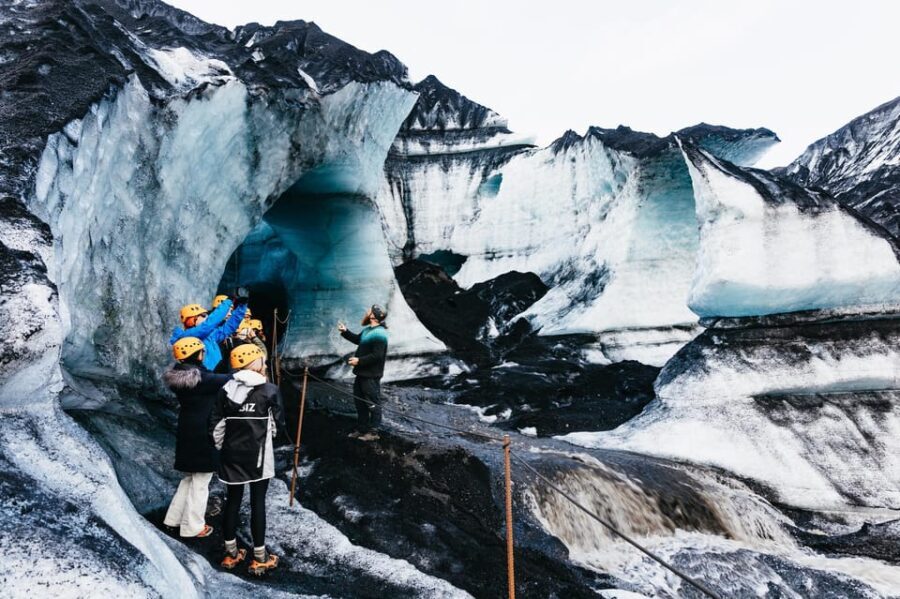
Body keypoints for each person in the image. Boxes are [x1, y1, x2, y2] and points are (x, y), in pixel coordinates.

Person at [209, 343, 286, 575]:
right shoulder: (269, 390)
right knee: (257, 502)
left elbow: (215, 426)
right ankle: (260, 557)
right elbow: (277, 424)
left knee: (233, 500)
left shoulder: (225, 389)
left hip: (231, 455)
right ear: (255, 362)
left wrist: (225, 448)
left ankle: (231, 554)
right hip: (258, 457)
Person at [161, 337, 232, 538]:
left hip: (187, 430)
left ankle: (173, 519)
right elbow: (230, 379)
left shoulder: (180, 376)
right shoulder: (202, 379)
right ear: (198, 354)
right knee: (201, 482)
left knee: (190, 478)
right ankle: (193, 527)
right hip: (203, 433)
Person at [337, 304, 389, 441]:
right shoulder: (368, 330)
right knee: (360, 402)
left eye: (370, 311)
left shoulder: (380, 333)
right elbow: (357, 340)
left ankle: (373, 432)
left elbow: (377, 355)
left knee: (372, 402)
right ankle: (362, 429)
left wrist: (359, 360)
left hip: (371, 375)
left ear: (373, 316)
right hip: (362, 373)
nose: (367, 312)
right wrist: (345, 331)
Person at [170, 288, 249, 372]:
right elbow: (208, 325)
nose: (206, 316)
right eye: (203, 315)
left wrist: (242, 305)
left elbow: (229, 327)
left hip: (215, 374)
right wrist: (229, 300)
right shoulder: (186, 337)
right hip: (203, 376)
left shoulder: (209, 336)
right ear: (192, 320)